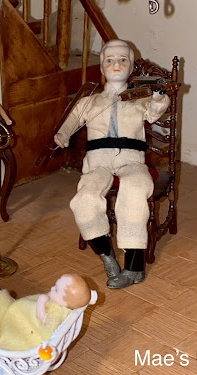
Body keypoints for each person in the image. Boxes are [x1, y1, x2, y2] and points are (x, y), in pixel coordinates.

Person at [54, 39, 170, 288]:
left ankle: (134, 266)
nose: (116, 64)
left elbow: (155, 111)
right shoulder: (89, 101)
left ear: (131, 68)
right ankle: (107, 256)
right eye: (109, 60)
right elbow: (71, 120)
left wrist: (159, 96)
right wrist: (63, 134)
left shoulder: (139, 98)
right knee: (84, 198)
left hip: (132, 160)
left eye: (122, 60)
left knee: (135, 191)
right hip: (97, 162)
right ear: (101, 68)